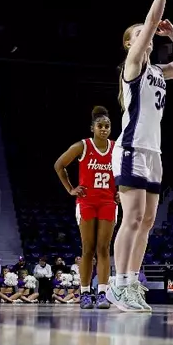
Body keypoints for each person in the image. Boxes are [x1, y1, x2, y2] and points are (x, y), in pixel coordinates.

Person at [110, 0, 173, 311]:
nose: (145, 37)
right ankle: (118, 285)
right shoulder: (131, 67)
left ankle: (132, 282)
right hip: (131, 149)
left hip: (153, 153)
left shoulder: (159, 71)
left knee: (147, 221)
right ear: (129, 44)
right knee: (131, 218)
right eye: (138, 35)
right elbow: (148, 26)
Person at [54, 106, 119, 309]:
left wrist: (122, 190)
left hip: (108, 201)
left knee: (103, 248)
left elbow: (127, 171)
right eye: (100, 126)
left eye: (107, 126)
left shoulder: (117, 148)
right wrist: (70, 189)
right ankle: (84, 293)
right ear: (92, 127)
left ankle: (102, 293)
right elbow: (59, 165)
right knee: (88, 248)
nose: (104, 129)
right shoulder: (83, 146)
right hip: (87, 202)